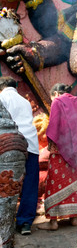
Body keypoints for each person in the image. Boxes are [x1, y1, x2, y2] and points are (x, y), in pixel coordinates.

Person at [38, 83, 77, 230]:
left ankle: (53, 222)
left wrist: (50, 145)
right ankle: (73, 218)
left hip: (60, 151)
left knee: (55, 183)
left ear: (56, 93)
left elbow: (54, 125)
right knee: (73, 183)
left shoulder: (58, 101)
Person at [0, 76, 39, 235]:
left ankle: (5, 223)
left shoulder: (2, 98)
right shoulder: (24, 101)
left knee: (6, 185)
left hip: (11, 146)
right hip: (32, 144)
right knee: (30, 184)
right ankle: (25, 223)